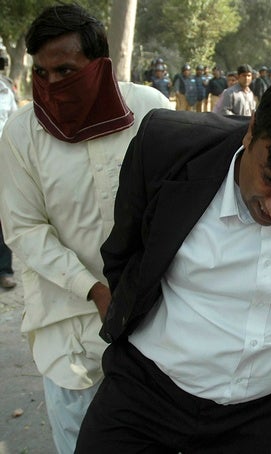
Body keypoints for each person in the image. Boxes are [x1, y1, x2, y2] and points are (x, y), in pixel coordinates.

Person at [74, 72, 271, 453]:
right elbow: (124, 253)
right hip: (144, 397)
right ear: (252, 130)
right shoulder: (168, 146)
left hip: (265, 421)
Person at [0, 4, 172, 453]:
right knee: (79, 441)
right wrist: (94, 290)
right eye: (42, 72)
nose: (52, 84)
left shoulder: (149, 109)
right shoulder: (21, 133)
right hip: (68, 325)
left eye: (66, 71)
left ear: (99, 66)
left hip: (151, 319)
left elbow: (176, 205)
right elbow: (24, 229)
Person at [0, 65, 17, 290]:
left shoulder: (5, 90)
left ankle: (4, 271)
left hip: (2, 156)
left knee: (3, 216)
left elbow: (12, 123)